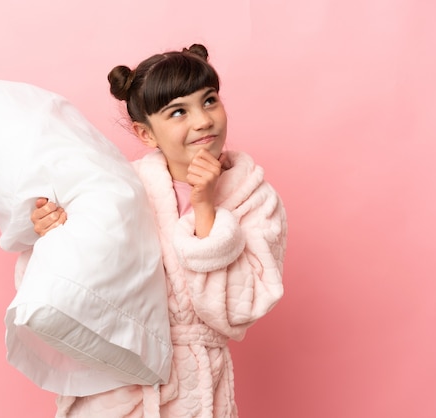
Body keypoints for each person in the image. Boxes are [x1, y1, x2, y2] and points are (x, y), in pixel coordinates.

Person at [30, 44, 287, 418]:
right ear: (146, 134)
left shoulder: (254, 198)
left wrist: (205, 208)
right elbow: (72, 288)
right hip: (114, 387)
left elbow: (238, 309)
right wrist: (52, 234)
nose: (203, 120)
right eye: (178, 111)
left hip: (193, 390)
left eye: (210, 100)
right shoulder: (117, 189)